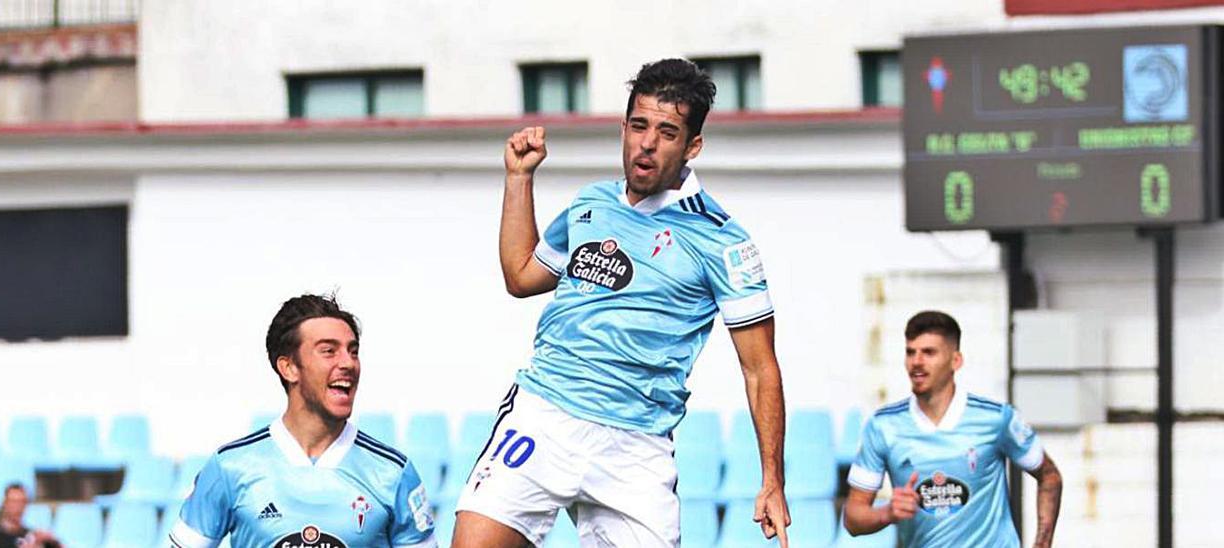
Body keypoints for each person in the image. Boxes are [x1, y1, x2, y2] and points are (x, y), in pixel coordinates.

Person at [453, 58, 789, 547]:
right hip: (545, 415)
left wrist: (773, 481)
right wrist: (519, 178)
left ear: (693, 146)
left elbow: (760, 368)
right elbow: (522, 276)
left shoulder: (724, 241)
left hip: (634, 446)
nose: (647, 143)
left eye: (668, 132)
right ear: (624, 128)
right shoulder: (591, 204)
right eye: (639, 125)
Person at [169, 294, 437, 548]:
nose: (348, 363)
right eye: (329, 351)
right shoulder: (230, 467)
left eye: (353, 351)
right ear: (289, 367)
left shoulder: (393, 473)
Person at [843, 311, 1063, 547]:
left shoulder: (995, 418)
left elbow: (1049, 476)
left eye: (928, 352)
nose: (916, 361)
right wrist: (886, 513)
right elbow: (853, 518)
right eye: (910, 352)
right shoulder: (883, 426)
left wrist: (1043, 543)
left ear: (955, 361)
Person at [0, 483, 60, 548]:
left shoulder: (32, 536)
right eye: (14, 501)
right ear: (4, 504)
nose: (18, 507)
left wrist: (54, 543)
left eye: (22, 502)